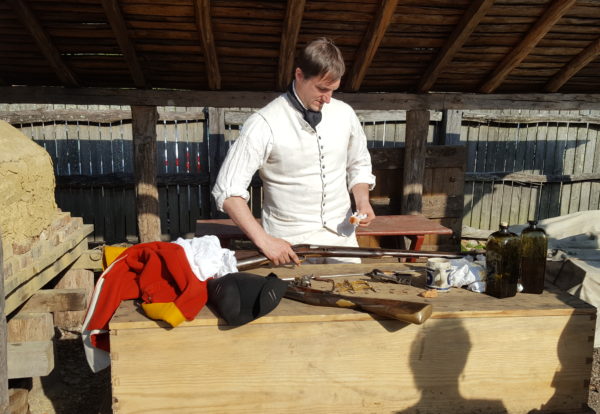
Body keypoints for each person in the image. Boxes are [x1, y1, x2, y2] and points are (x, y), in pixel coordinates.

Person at [211, 37, 376, 266]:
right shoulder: (264, 123)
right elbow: (227, 190)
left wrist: (362, 201)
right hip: (289, 245)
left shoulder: (345, 114)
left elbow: (358, 163)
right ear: (299, 75)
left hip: (343, 239)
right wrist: (265, 241)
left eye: (333, 90)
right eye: (322, 89)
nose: (328, 99)